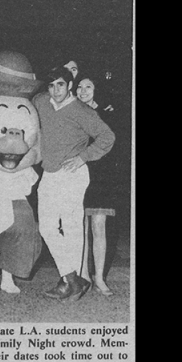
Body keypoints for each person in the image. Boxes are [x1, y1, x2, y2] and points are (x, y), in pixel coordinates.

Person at [32, 65, 115, 302]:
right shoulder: (41, 102)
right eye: (51, 85)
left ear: (70, 86)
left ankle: (70, 282)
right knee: (46, 227)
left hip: (73, 175)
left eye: (60, 84)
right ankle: (73, 278)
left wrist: (82, 157)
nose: (55, 90)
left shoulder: (81, 110)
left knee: (71, 229)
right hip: (49, 173)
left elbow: (108, 137)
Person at [76, 72, 120, 296]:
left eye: (88, 87)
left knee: (98, 227)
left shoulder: (106, 114)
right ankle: (82, 274)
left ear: (96, 90)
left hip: (100, 179)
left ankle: (99, 277)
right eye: (80, 87)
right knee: (79, 228)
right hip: (75, 175)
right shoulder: (72, 114)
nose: (83, 91)